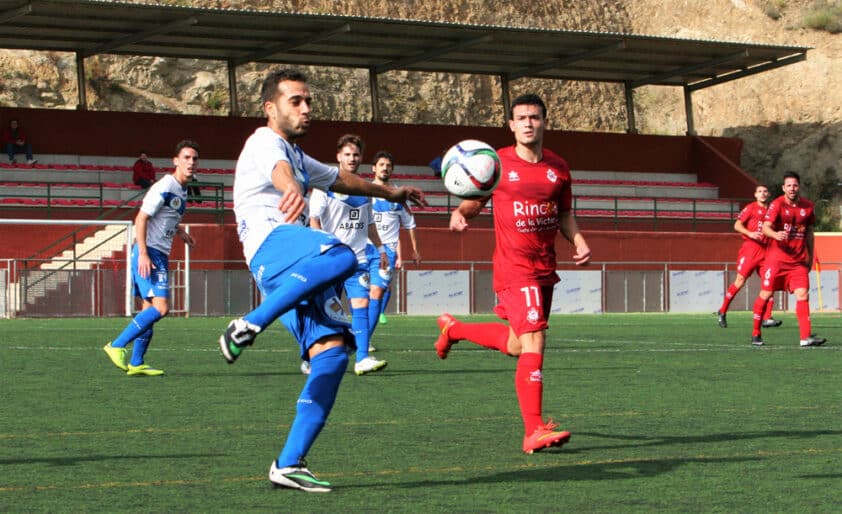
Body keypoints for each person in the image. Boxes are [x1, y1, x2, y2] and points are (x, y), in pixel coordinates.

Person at [217, 69, 424, 493]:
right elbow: (278, 172)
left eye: (307, 100)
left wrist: (392, 192)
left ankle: (289, 463)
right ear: (270, 108)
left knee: (332, 353)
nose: (306, 108)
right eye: (296, 100)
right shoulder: (265, 142)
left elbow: (341, 179)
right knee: (343, 254)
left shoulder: (295, 154)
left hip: (295, 269)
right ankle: (248, 323)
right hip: (272, 247)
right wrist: (291, 187)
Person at [434, 93, 591, 455]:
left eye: (534, 117)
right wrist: (461, 213)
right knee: (536, 342)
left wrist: (579, 241)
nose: (528, 123)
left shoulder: (559, 167)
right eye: (521, 118)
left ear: (544, 121)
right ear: (511, 125)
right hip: (514, 266)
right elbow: (476, 196)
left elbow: (565, 214)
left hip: (545, 267)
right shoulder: (497, 162)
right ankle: (533, 429)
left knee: (519, 345)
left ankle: (453, 329)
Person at [103, 140, 199, 376]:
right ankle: (115, 345)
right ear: (175, 161)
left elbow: (165, 217)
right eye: (186, 157)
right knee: (161, 307)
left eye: (195, 158)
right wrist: (144, 254)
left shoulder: (182, 189)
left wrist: (180, 232)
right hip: (151, 253)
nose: (191, 162)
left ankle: (136, 363)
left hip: (159, 252)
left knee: (148, 309)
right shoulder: (165, 185)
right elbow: (141, 218)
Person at [307, 134, 388, 376]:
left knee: (360, 304)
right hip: (332, 258)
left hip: (358, 259)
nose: (352, 158)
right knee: (327, 310)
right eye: (347, 154)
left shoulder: (364, 189)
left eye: (356, 155)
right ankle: (315, 356)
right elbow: (314, 220)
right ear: (338, 157)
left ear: (361, 158)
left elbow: (370, 224)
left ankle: (362, 358)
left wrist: (382, 249)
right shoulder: (326, 186)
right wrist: (323, 247)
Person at [750, 171, 825, 347]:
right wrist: (776, 235)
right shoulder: (776, 205)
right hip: (776, 260)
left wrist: (810, 256)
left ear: (799, 187)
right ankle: (756, 332)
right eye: (789, 185)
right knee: (766, 294)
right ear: (784, 188)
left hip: (798, 261)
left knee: (803, 295)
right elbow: (766, 228)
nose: (792, 188)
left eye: (795, 185)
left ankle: (805, 337)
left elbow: (809, 233)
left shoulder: (807, 207)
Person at [365, 150, 421, 331]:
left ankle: (366, 340)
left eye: (388, 166)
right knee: (360, 295)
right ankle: (359, 335)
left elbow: (410, 223)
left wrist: (415, 250)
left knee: (377, 292)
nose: (385, 168)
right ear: (374, 168)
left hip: (387, 251)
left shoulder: (398, 197)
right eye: (381, 165)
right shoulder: (364, 192)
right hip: (363, 248)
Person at [716, 184, 782, 328]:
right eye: (760, 191)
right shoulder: (751, 208)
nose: (763, 194)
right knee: (740, 281)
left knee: (770, 283)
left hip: (766, 250)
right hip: (751, 249)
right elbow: (737, 225)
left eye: (765, 191)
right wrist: (750, 233)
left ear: (769, 194)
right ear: (755, 195)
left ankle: (767, 317)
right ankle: (722, 311)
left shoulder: (773, 211)